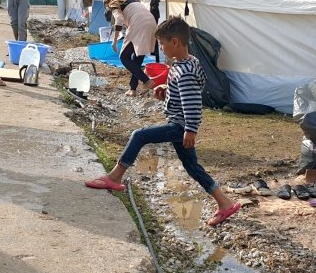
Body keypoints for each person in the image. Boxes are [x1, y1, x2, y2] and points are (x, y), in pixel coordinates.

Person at [85, 17, 241, 227]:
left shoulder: (184, 71)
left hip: (180, 126)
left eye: (162, 43)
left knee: (139, 135)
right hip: (182, 123)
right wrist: (167, 91)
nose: (160, 47)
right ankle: (224, 203)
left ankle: (115, 177)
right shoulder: (188, 62)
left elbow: (193, 102)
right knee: (192, 167)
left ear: (175, 42)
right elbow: (190, 89)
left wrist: (191, 130)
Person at [104, 0, 156, 96]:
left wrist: (114, 41)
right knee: (137, 58)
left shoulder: (114, 3)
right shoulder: (132, 1)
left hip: (138, 25)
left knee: (124, 57)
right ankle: (133, 89)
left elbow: (119, 20)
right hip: (151, 23)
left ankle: (147, 81)